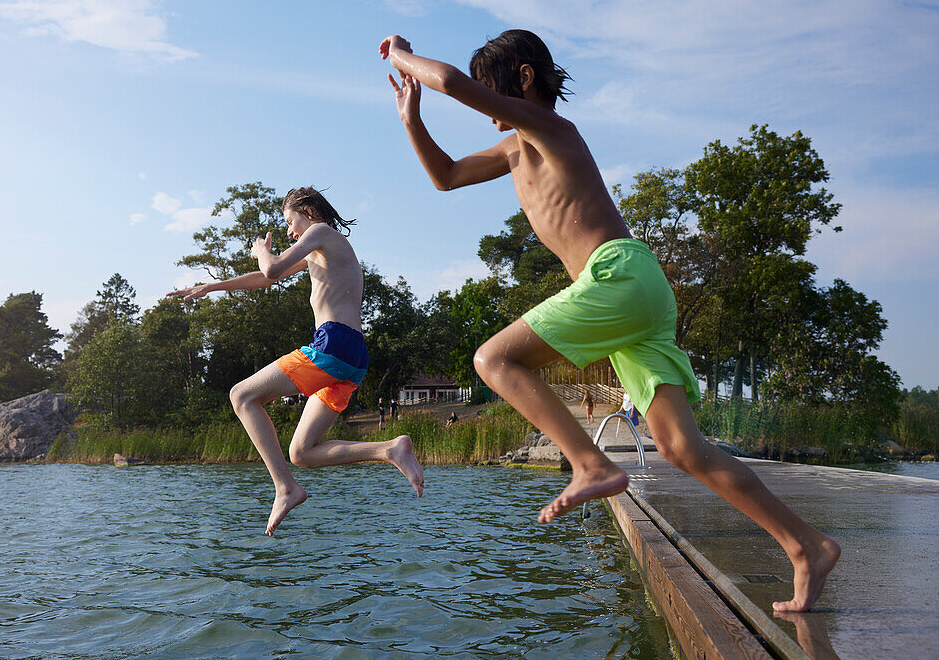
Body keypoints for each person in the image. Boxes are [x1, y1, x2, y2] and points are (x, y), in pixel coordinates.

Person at [380, 30, 839, 611]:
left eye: (494, 90)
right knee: (681, 447)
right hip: (635, 293)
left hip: (616, 275)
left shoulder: (553, 130)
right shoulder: (514, 150)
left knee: (493, 358)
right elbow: (444, 176)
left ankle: (590, 463)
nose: (488, 111)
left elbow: (450, 81)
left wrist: (400, 57)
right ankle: (806, 545)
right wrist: (410, 121)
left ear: (523, 80)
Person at [169, 187, 424, 536]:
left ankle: (285, 488)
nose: (290, 232)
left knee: (241, 396)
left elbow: (270, 268)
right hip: (351, 357)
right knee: (302, 452)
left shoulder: (321, 232)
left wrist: (262, 251)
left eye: (291, 221)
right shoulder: (323, 249)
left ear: (307, 210)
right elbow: (263, 278)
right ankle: (390, 449)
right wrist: (212, 287)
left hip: (333, 344)